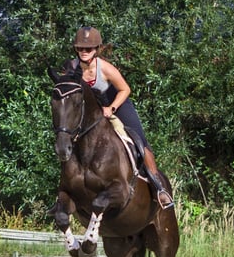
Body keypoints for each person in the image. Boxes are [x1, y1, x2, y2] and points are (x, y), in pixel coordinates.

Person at [66, 26, 174, 209]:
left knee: (139, 140)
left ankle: (158, 187)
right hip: (91, 113)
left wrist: (111, 108)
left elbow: (125, 89)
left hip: (117, 105)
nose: (83, 52)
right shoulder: (71, 67)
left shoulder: (106, 69)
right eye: (80, 48)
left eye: (88, 49)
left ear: (97, 49)